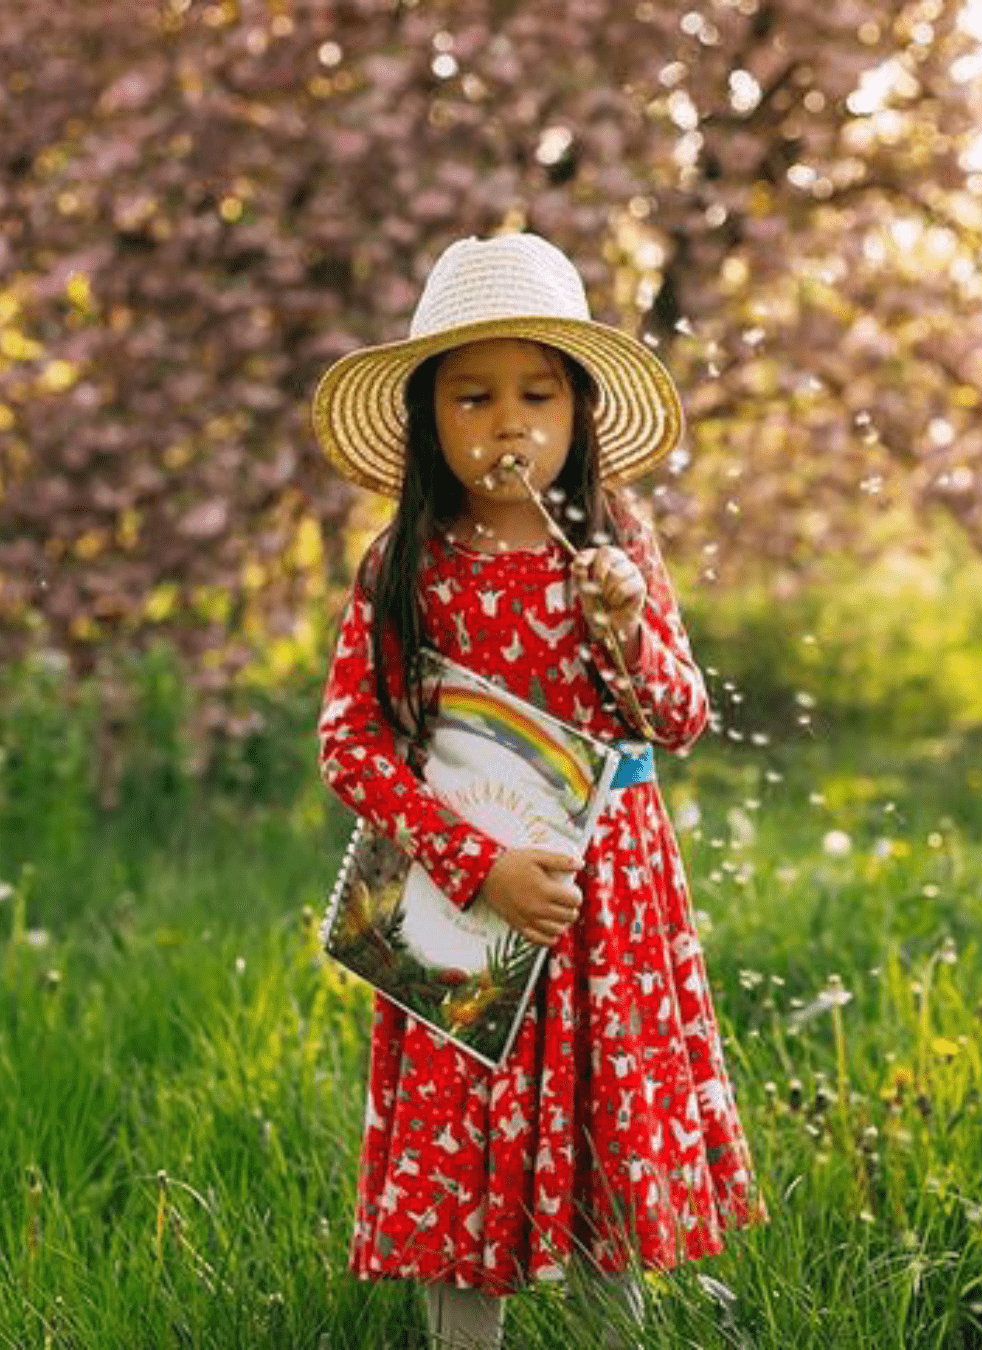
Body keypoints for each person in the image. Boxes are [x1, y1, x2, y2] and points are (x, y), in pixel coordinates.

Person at [313, 233, 760, 1349]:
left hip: (605, 898)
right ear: (428, 420)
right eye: (472, 397)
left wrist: (623, 630)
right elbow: (352, 745)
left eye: (535, 394)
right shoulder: (407, 564)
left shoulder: (615, 543)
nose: (507, 423)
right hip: (464, 903)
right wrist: (475, 863)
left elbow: (680, 717)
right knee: (463, 1137)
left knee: (612, 1125)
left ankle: (619, 1334)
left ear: (580, 413)